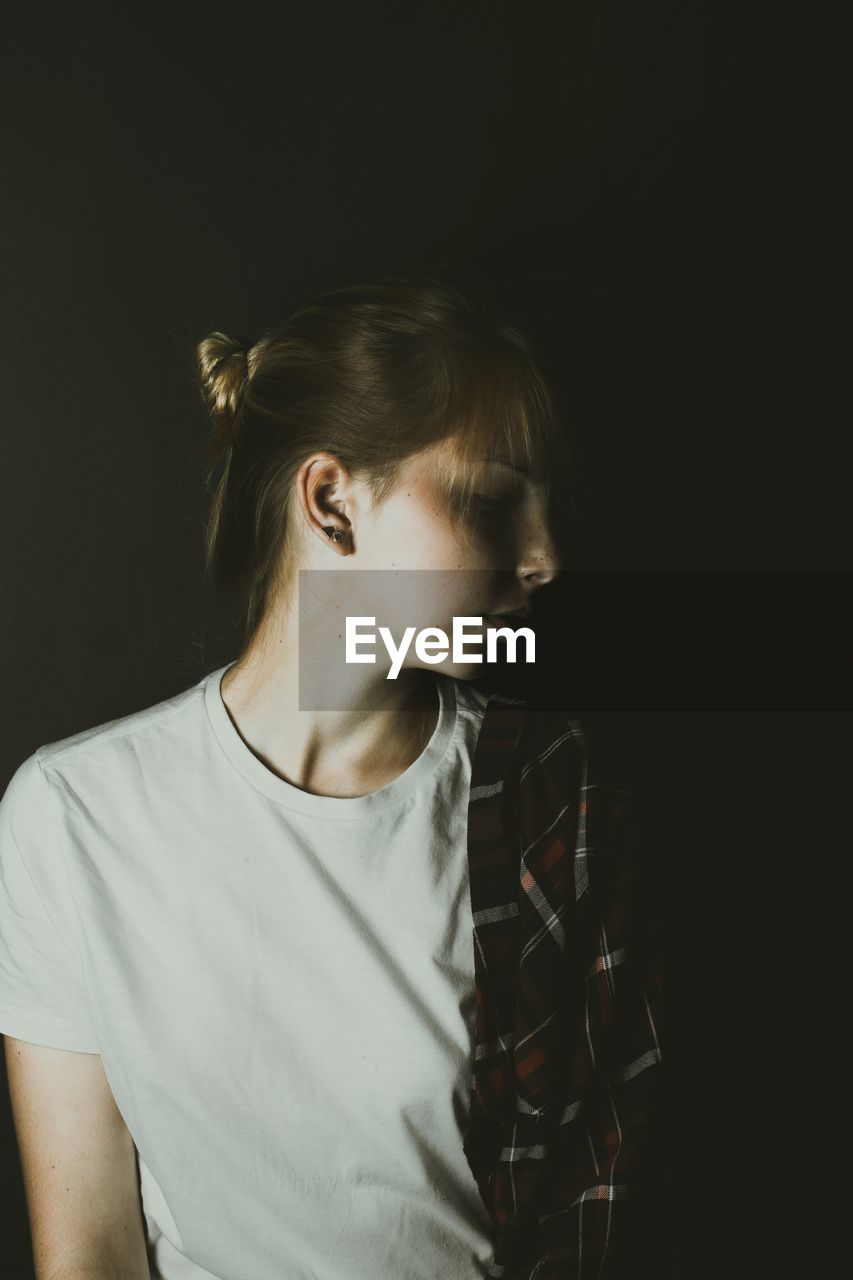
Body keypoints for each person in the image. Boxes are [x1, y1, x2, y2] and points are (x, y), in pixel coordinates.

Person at [0, 272, 663, 1279]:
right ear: (331, 503)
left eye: (548, 506)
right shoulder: (74, 818)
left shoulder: (552, 798)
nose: (544, 558)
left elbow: (605, 1210)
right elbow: (88, 1251)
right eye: (490, 501)